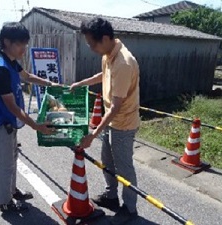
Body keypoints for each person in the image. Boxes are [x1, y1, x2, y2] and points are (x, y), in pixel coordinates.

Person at [70, 17, 140, 225]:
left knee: (124, 167)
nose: (91, 47)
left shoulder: (124, 63)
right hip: (111, 121)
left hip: (123, 123)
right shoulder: (109, 54)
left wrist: (93, 134)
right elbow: (105, 74)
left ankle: (130, 207)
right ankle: (111, 196)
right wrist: (83, 83)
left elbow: (116, 107)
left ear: (106, 38)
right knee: (107, 162)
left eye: (93, 43)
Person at [0, 22, 56, 213]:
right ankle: (5, 202)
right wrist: (37, 126)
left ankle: (12, 190)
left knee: (12, 158)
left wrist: (49, 83)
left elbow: (27, 76)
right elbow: (12, 107)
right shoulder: (0, 69)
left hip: (8, 121)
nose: (24, 48)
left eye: (25, 43)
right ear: (7, 42)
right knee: (6, 164)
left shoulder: (10, 60)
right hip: (0, 122)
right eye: (20, 44)